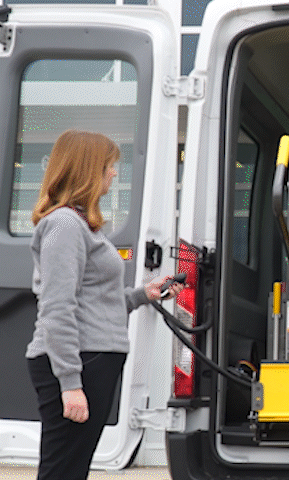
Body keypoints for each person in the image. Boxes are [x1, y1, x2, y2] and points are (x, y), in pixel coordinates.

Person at [25, 130, 183, 480]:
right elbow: (57, 307)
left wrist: (143, 294)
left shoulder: (82, 225)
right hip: (79, 359)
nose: (113, 173)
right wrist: (70, 382)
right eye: (110, 166)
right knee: (62, 470)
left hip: (93, 357)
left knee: (72, 467)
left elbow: (94, 300)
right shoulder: (64, 225)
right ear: (89, 169)